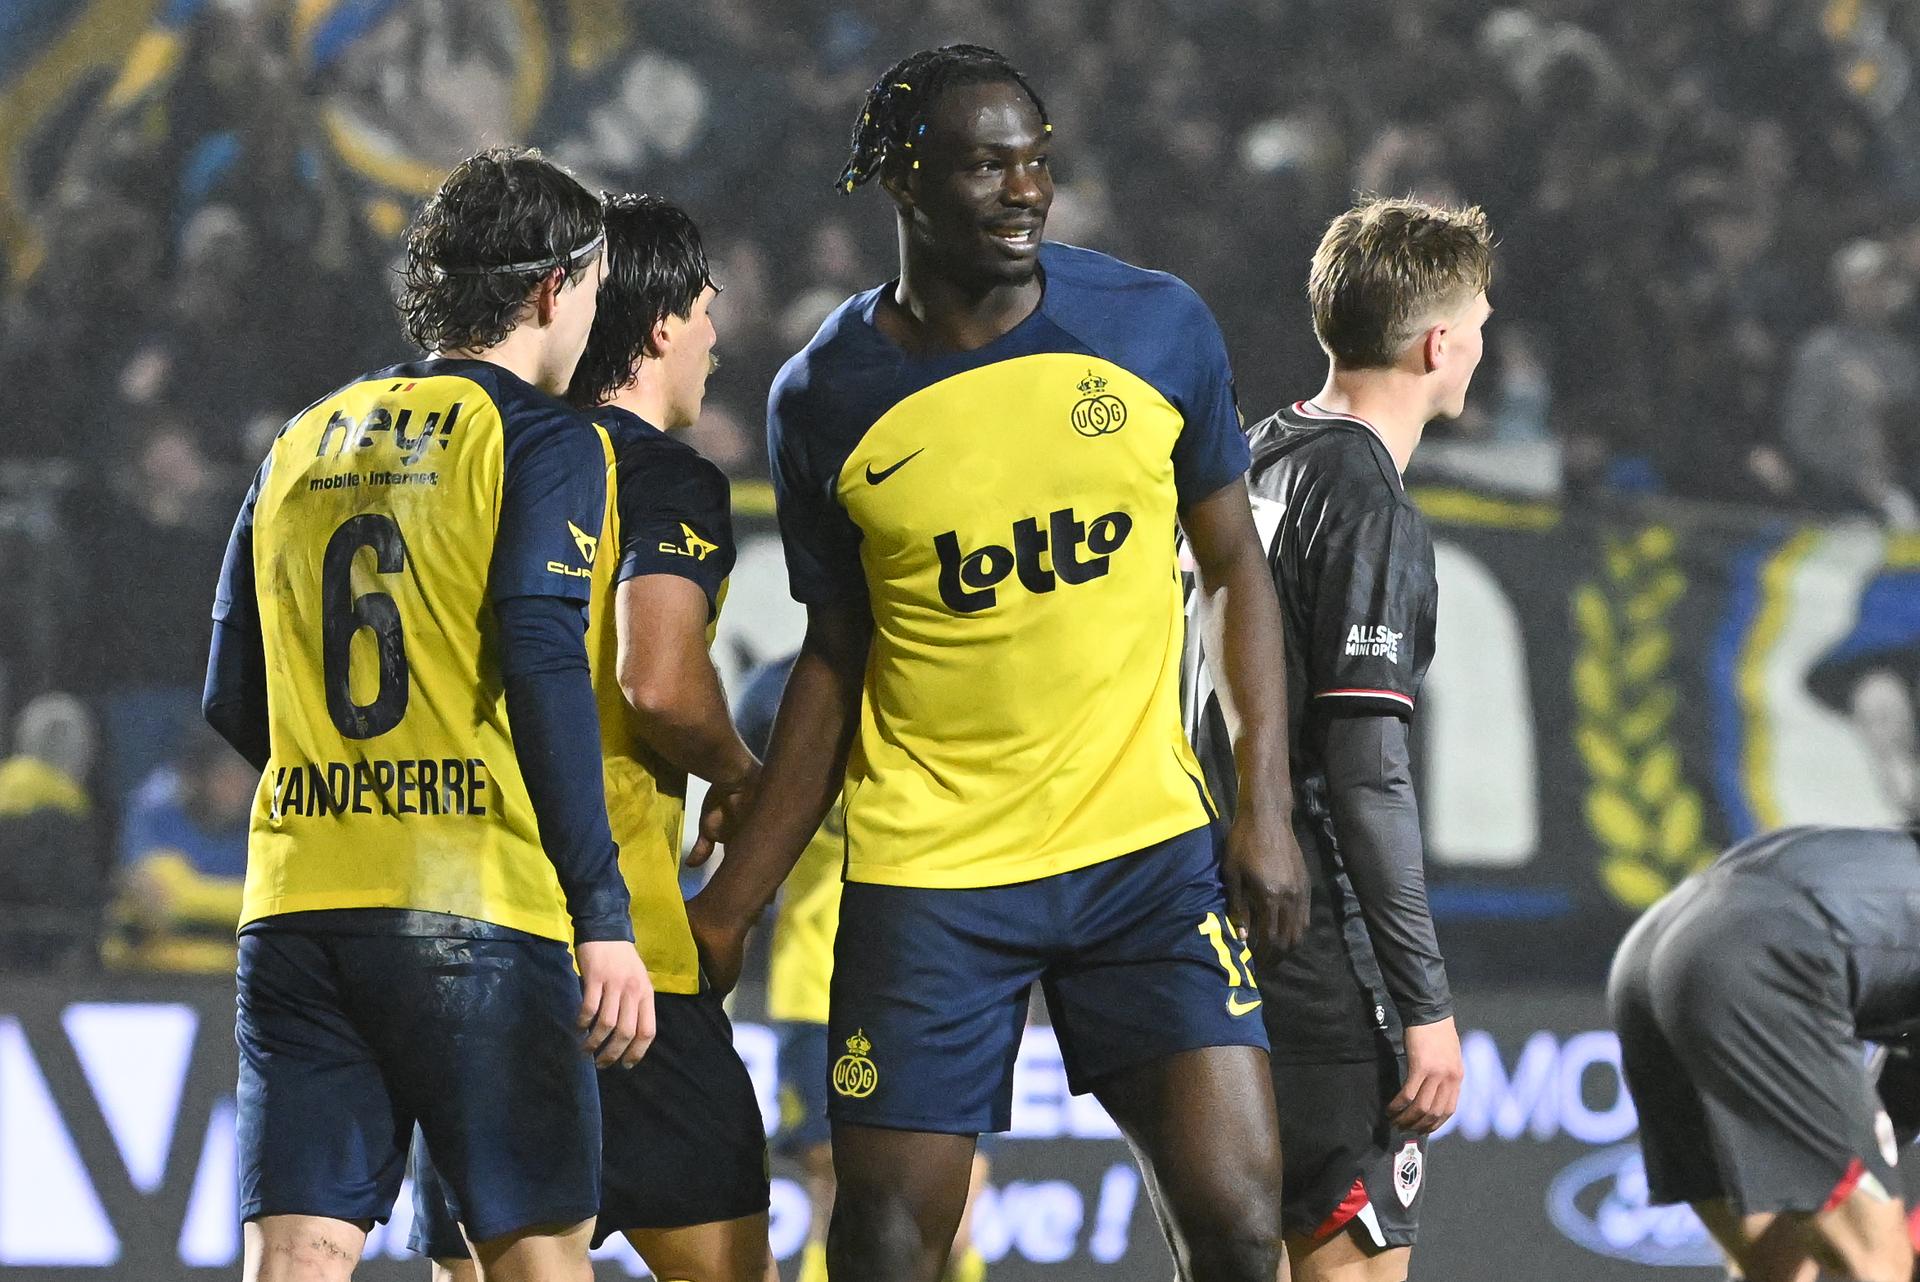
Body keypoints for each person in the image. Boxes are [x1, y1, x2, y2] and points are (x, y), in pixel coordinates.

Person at [685, 44, 1306, 1282]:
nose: (1027, 190)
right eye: (986, 164)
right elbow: (837, 657)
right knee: (884, 1243)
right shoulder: (824, 396)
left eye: (1037, 160)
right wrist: (732, 903)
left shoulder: (1156, 325)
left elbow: (1235, 568)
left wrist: (1265, 809)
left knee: (1242, 1224)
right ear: (903, 183)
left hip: (1143, 859)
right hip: (934, 880)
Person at [201, 146, 653, 1282]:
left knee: (298, 1256)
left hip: (299, 904)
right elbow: (546, 661)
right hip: (476, 909)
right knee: (532, 1260)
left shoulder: (301, 435)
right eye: (594, 289)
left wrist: (350, 780)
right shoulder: (550, 442)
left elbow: (229, 691)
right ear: (554, 288)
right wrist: (601, 909)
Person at [409, 193, 773, 1282]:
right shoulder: (661, 472)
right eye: (707, 310)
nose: (716, 335)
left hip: (470, 948)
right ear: (662, 323)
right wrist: (737, 766)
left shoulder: (478, 459)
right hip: (627, 968)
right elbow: (656, 679)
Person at [1187, 197, 1486, 1282]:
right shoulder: (1366, 500)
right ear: (1437, 342)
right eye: (1480, 324)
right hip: (1315, 943)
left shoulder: (1255, 456)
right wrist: (1425, 1004)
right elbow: (1365, 775)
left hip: (1206, 924)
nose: (1482, 346)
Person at [737, 655, 991, 1282]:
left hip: (937, 978)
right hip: (820, 983)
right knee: (839, 1186)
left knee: (958, 1197)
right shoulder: (778, 694)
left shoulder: (944, 673)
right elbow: (743, 808)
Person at [1609, 826, 1920, 1282]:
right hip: (1754, 957)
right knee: (1878, 1263)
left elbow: (1894, 1106)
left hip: (1651, 955)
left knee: (1775, 1269)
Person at [103, 722, 252, 972]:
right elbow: (163, 899)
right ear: (196, 779)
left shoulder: (267, 818)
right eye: (226, 777)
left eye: (246, 775)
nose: (240, 787)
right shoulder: (155, 810)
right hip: (155, 976)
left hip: (231, 977)